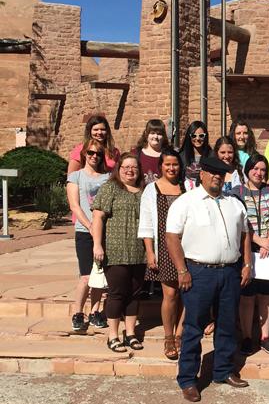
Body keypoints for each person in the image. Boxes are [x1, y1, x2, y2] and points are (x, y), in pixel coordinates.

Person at [165, 156, 253, 403]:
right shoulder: (186, 202)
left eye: (221, 173)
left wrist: (247, 264)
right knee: (193, 326)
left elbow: (246, 235)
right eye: (212, 172)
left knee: (226, 324)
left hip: (229, 272)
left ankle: (223, 370)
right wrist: (182, 270)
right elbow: (172, 237)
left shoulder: (233, 203)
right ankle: (188, 379)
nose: (217, 176)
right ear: (201, 174)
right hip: (198, 272)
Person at [90, 153, 145, 353]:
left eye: (134, 167)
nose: (130, 171)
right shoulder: (110, 188)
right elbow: (98, 218)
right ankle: (112, 335)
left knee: (134, 294)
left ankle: (130, 333)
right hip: (115, 251)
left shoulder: (144, 191)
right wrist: (97, 245)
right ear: (118, 169)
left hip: (139, 252)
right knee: (117, 294)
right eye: (126, 167)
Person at [235, 153, 269, 355]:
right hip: (247, 250)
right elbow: (239, 223)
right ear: (247, 169)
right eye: (255, 168)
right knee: (247, 297)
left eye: (263, 170)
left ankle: (265, 337)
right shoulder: (237, 192)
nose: (259, 173)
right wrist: (258, 241)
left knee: (266, 296)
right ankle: (247, 336)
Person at [138, 148, 186, 360]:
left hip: (188, 247)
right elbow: (147, 223)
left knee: (188, 294)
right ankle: (168, 337)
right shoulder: (152, 189)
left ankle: (180, 335)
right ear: (161, 166)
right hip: (164, 248)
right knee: (170, 294)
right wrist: (150, 252)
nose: (171, 168)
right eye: (167, 164)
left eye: (175, 164)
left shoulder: (187, 187)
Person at [66, 139, 110, 331]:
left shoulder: (107, 178)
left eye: (98, 154)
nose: (94, 156)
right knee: (85, 276)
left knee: (99, 274)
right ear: (84, 154)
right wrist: (90, 225)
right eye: (91, 153)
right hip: (85, 231)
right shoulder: (75, 177)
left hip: (104, 231)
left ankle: (95, 311)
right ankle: (78, 312)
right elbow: (74, 205)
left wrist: (99, 227)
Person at [134, 119, 169, 185]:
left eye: (159, 134)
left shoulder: (169, 155)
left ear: (163, 136)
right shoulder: (136, 154)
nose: (155, 137)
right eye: (152, 133)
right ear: (146, 134)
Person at [179, 121, 212, 190]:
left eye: (201, 135)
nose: (197, 139)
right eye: (194, 136)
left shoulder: (211, 155)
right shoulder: (182, 156)